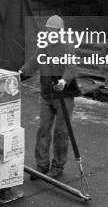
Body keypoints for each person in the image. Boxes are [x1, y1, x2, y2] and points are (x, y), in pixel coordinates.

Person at [19, 15, 81, 179]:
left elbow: (72, 67)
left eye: (54, 32)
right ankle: (42, 165)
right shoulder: (44, 45)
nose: (50, 35)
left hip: (64, 95)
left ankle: (57, 166)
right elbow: (34, 62)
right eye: (48, 31)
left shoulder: (68, 46)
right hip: (47, 94)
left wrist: (64, 80)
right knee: (43, 130)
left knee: (61, 132)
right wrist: (21, 74)